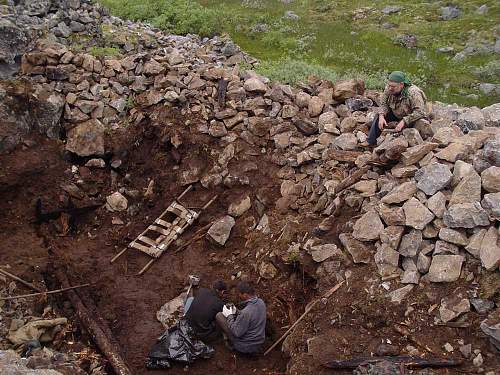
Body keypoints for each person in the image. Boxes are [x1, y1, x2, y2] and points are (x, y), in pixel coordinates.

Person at [367, 71, 429, 146]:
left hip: (411, 118)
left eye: (393, 87)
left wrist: (404, 121)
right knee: (378, 116)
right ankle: (370, 142)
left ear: (401, 85)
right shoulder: (388, 88)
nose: (390, 88)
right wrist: (381, 116)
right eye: (389, 85)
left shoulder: (414, 93)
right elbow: (383, 104)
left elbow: (420, 112)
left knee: (407, 129)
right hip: (397, 112)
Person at [215, 281, 266, 355]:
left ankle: (231, 344)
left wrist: (229, 315)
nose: (238, 295)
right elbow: (251, 317)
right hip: (259, 341)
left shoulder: (246, 313)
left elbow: (236, 333)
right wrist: (237, 311)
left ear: (245, 294)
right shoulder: (261, 302)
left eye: (239, 293)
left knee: (219, 316)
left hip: (245, 346)